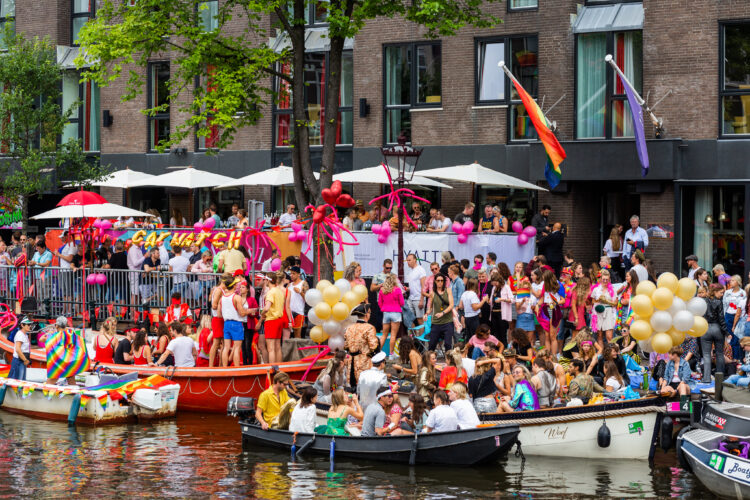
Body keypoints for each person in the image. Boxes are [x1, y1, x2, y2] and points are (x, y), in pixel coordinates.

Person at [344, 303, 380, 386]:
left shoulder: (349, 327)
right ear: (366, 315)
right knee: (365, 386)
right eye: (369, 313)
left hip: (351, 361)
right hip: (364, 361)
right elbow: (374, 346)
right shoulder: (369, 327)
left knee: (353, 386)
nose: (370, 315)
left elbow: (346, 346)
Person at [702, 283, 730, 383]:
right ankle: (720, 378)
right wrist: (727, 332)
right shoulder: (719, 302)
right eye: (721, 292)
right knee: (719, 353)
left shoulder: (703, 301)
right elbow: (721, 319)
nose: (722, 294)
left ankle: (706, 378)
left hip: (705, 328)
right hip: (717, 328)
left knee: (706, 355)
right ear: (715, 292)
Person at [260, 271, 287, 364]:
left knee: (270, 348)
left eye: (265, 279)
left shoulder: (271, 292)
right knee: (277, 346)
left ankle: (272, 369)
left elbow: (267, 308)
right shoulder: (279, 291)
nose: (264, 281)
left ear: (268, 280)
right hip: (279, 319)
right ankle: (279, 368)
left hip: (271, 320)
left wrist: (262, 313)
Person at [425, 272, 455, 351]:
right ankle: (429, 361)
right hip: (436, 322)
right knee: (432, 345)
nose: (440, 282)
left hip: (447, 322)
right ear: (435, 281)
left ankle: (449, 361)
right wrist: (426, 313)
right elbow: (430, 307)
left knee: (448, 344)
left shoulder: (448, 290)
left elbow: (451, 305)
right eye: (438, 280)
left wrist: (443, 313)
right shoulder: (432, 293)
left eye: (442, 280)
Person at [591, 269, 617, 343]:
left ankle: (611, 353)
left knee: (609, 337)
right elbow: (592, 301)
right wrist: (599, 300)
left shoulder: (613, 290)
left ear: (609, 280)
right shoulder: (596, 290)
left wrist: (606, 301)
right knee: (599, 336)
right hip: (598, 312)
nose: (605, 281)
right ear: (600, 279)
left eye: (607, 279)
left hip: (609, 312)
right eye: (603, 279)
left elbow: (615, 303)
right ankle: (600, 354)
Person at [405, 253, 426, 326]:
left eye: (409, 260)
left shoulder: (421, 270)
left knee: (420, 319)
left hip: (418, 298)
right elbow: (414, 286)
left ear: (415, 260)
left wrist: (422, 300)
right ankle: (413, 336)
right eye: (407, 260)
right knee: (408, 319)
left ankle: (422, 337)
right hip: (410, 298)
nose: (408, 262)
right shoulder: (410, 271)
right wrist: (407, 289)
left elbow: (424, 286)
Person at [287, 266, 307, 339]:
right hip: (289, 312)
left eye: (293, 273)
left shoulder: (303, 283)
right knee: (287, 335)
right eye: (290, 274)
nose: (291, 275)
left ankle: (297, 350)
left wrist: (300, 292)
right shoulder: (289, 285)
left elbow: (308, 299)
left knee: (297, 335)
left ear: (299, 274)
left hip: (299, 312)